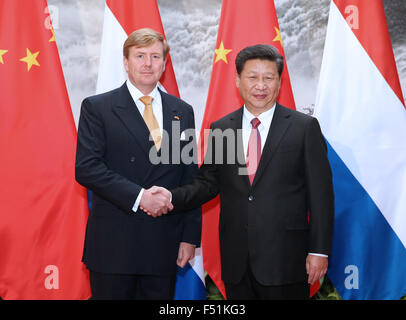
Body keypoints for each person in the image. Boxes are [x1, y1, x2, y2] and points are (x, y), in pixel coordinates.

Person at [146, 44, 334, 300]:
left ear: (279, 81)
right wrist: (170, 197)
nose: (261, 85)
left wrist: (319, 251)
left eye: (269, 78)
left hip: (286, 260)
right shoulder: (223, 127)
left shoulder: (304, 128)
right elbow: (208, 183)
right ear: (237, 80)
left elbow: (321, 196)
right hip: (237, 262)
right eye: (252, 77)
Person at [75, 28, 201, 300]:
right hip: (114, 246)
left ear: (164, 64)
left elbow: (190, 177)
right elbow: (88, 168)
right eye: (140, 56)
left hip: (163, 243)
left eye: (155, 56)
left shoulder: (182, 111)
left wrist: (189, 236)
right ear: (126, 62)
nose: (147, 63)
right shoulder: (97, 107)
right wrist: (140, 196)